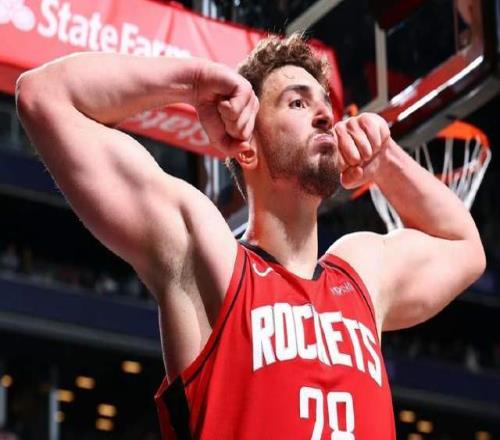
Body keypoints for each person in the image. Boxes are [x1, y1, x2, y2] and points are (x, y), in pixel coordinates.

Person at [16, 34, 485, 439]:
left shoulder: (361, 274)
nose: (325, 116)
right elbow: (44, 96)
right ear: (247, 148)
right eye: (298, 103)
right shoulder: (212, 261)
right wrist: (191, 82)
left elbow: (464, 248)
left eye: (325, 105)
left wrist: (385, 160)